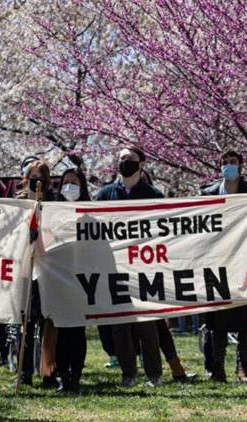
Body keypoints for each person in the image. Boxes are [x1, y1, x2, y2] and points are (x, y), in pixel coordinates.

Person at [96, 146, 163, 387]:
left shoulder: (153, 194)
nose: (126, 162)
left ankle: (154, 374)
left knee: (147, 324)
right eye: (122, 159)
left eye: (131, 159)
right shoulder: (104, 195)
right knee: (119, 325)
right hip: (114, 269)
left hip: (145, 269)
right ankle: (128, 373)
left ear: (142, 163)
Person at [198, 150, 247, 382]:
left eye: (233, 162)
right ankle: (217, 366)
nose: (228, 166)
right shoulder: (206, 194)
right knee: (217, 318)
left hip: (243, 262)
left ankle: (243, 367)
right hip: (214, 261)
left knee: (244, 319)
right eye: (224, 162)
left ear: (241, 165)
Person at [16, 160, 56, 387]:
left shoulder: (54, 204)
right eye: (33, 176)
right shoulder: (19, 202)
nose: (37, 181)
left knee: (47, 320)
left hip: (47, 268)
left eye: (41, 177)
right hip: (24, 267)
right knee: (26, 320)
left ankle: (48, 370)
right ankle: (24, 372)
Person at [53, 167, 91, 393]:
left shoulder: (89, 216)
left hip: (81, 279)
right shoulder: (53, 213)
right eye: (66, 182)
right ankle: (62, 375)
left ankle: (75, 375)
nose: (69, 187)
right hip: (57, 277)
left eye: (74, 183)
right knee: (61, 330)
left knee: (77, 330)